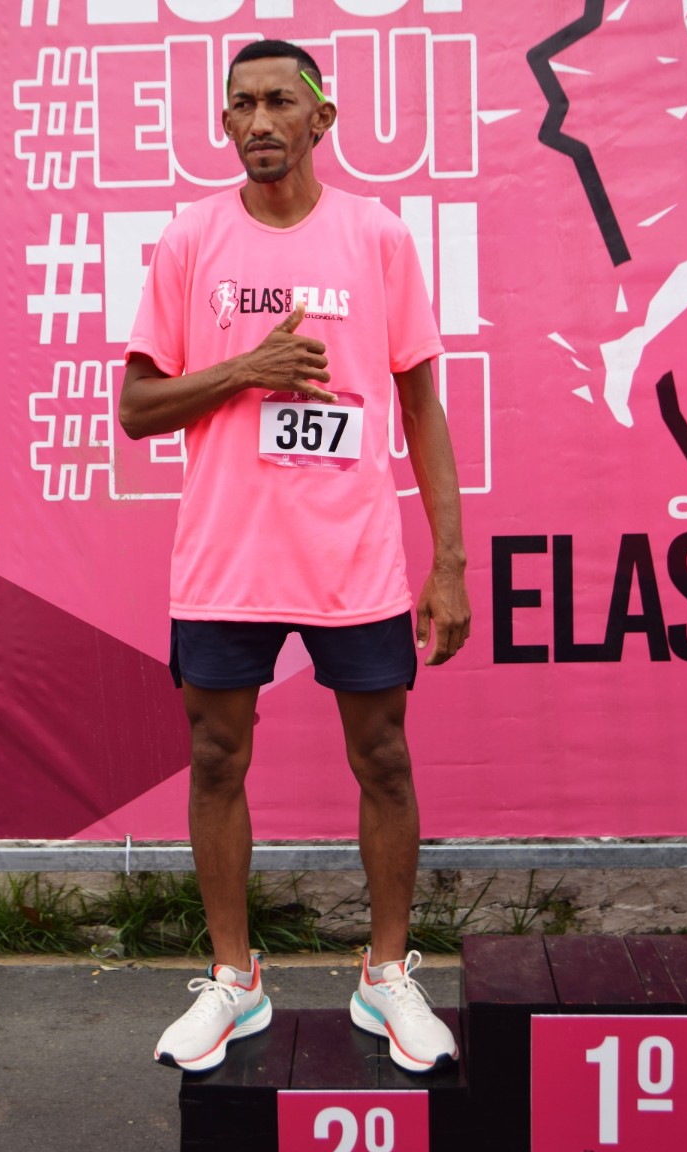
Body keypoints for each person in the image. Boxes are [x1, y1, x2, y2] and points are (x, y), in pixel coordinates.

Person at [119, 39, 471, 1075]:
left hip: (351, 556)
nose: (259, 120)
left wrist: (449, 562)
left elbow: (420, 406)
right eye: (241, 104)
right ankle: (234, 982)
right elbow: (137, 407)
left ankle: (385, 975)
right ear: (224, 122)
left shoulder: (376, 236)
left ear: (322, 117)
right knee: (216, 759)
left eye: (280, 101)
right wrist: (249, 368)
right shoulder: (191, 239)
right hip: (227, 558)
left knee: (385, 758)